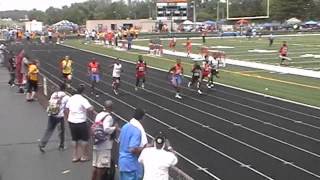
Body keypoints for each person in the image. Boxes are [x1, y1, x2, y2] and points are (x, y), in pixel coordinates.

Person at [65, 85, 94, 162]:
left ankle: (75, 156)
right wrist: (91, 109)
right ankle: (84, 156)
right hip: (81, 121)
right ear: (83, 92)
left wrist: (69, 116)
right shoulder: (83, 99)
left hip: (72, 121)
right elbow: (90, 108)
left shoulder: (70, 98)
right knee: (84, 139)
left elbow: (66, 108)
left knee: (74, 139)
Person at [39, 83, 70, 152]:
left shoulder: (54, 94)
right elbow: (67, 108)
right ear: (65, 89)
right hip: (59, 116)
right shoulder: (66, 97)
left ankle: (42, 144)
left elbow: (50, 102)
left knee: (49, 130)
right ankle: (61, 146)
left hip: (51, 114)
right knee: (61, 131)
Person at [92, 100, 118, 180]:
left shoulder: (99, 115)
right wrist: (115, 128)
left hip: (97, 143)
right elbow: (106, 129)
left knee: (95, 165)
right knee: (101, 167)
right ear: (111, 107)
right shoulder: (109, 117)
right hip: (104, 145)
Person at [119, 108, 148, 180]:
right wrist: (145, 149)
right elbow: (132, 149)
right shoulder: (136, 130)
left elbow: (119, 141)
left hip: (122, 162)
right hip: (131, 165)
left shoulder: (125, 126)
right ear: (143, 117)